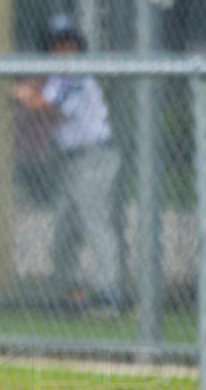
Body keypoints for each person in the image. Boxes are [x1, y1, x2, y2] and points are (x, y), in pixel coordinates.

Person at [12, 13, 124, 313]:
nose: (63, 49)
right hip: (71, 162)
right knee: (64, 227)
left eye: (68, 43)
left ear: (77, 46)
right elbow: (41, 104)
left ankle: (108, 292)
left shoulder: (76, 74)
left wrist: (25, 94)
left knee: (95, 222)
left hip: (95, 156)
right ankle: (73, 294)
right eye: (56, 44)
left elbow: (49, 108)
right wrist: (30, 92)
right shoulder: (56, 77)